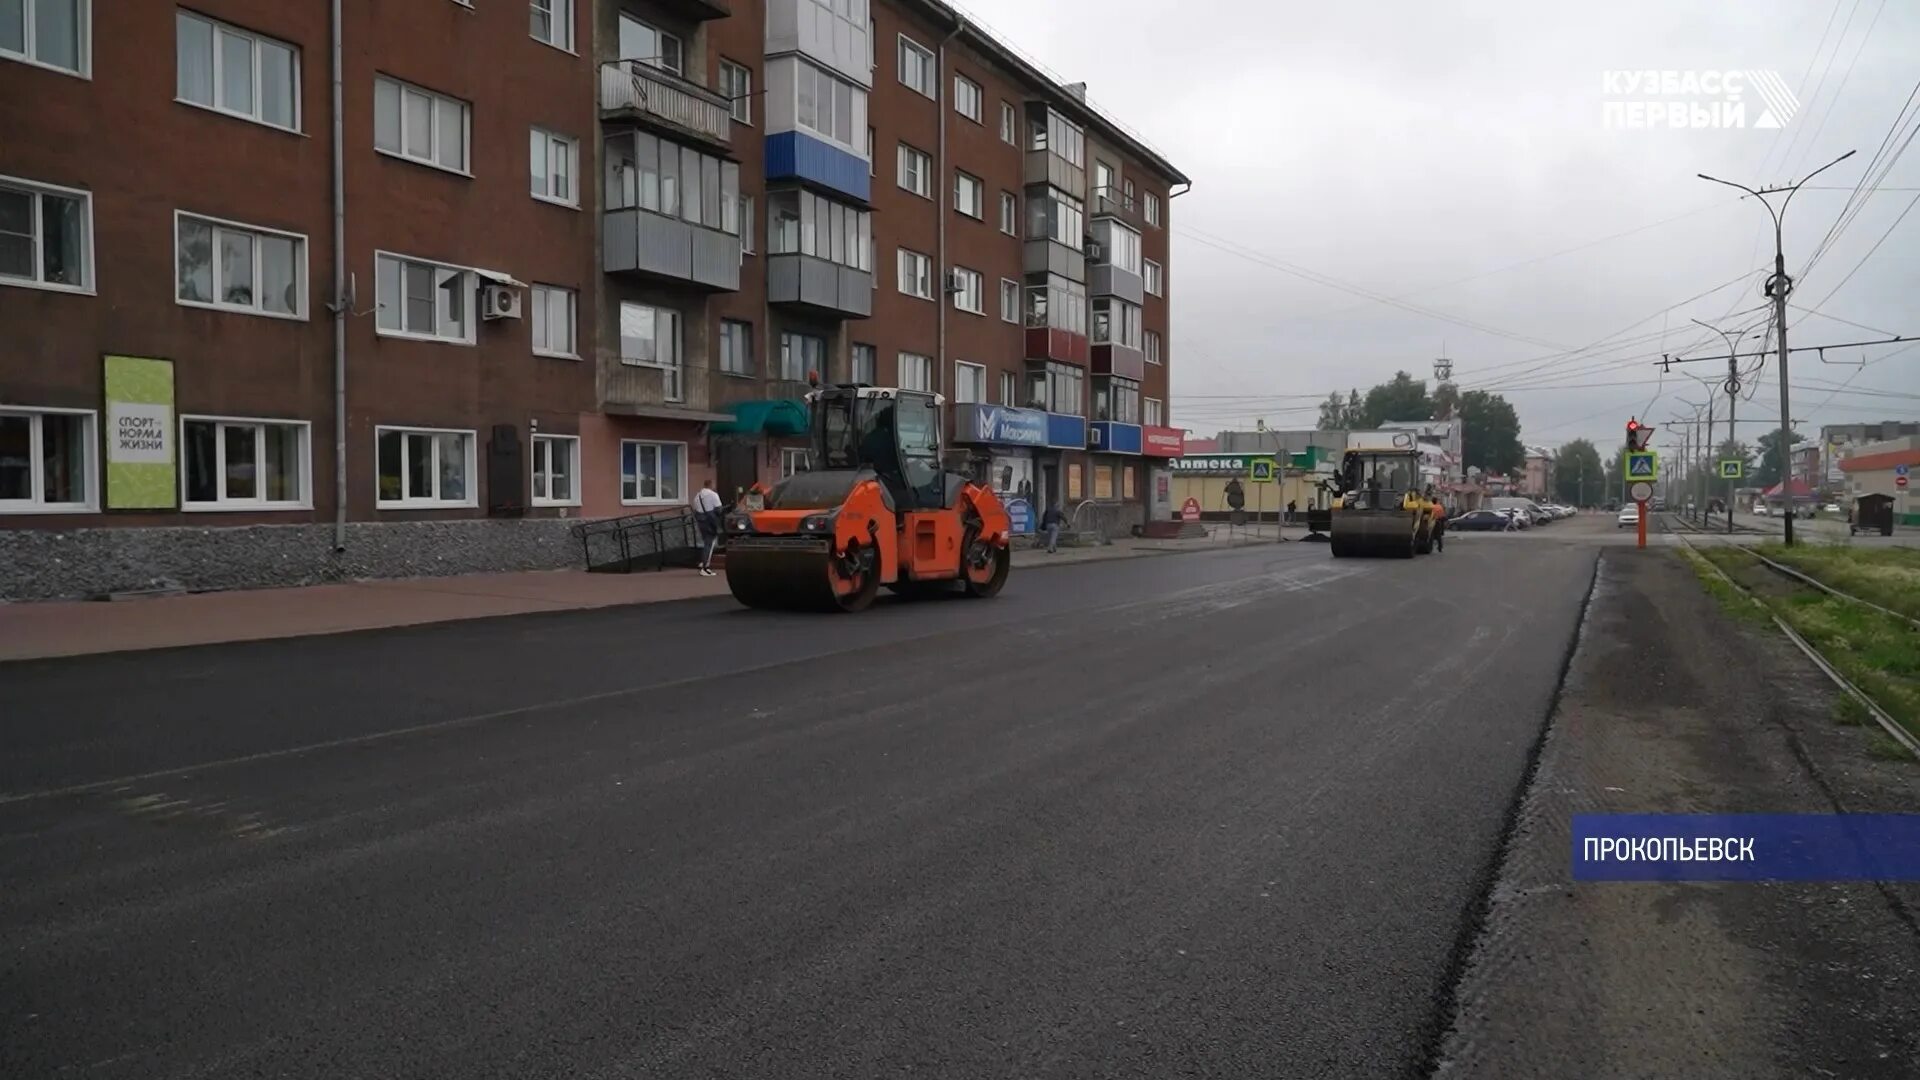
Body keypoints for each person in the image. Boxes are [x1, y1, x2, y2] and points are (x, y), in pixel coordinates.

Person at [692, 480, 724, 577]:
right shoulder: (713, 495)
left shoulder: (697, 496)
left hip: (701, 522)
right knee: (709, 544)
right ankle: (705, 567)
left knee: (706, 542)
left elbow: (696, 509)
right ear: (711, 485)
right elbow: (719, 509)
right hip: (710, 522)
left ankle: (704, 563)